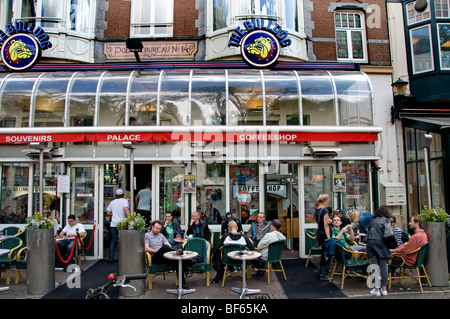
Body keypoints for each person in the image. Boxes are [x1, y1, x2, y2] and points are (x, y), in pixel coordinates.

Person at [145, 220, 188, 289]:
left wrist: (167, 251)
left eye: (159, 229)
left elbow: (168, 245)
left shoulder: (161, 235)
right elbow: (146, 249)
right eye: (156, 228)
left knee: (178, 261)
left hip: (163, 256)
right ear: (152, 227)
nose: (158, 230)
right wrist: (158, 251)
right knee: (164, 248)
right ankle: (179, 254)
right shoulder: (147, 235)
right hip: (154, 257)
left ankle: (183, 285)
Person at [365, 206, 392, 297]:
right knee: (383, 267)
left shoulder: (372, 220)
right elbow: (388, 234)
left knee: (374, 266)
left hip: (371, 242)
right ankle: (384, 289)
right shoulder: (386, 221)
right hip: (381, 243)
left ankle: (376, 289)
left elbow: (368, 232)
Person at [106, 188, 130, 263]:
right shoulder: (124, 201)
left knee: (113, 240)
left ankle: (111, 258)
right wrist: (130, 218)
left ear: (116, 195)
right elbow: (126, 209)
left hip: (113, 224)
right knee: (123, 240)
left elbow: (108, 213)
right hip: (122, 223)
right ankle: (124, 257)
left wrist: (114, 214)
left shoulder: (112, 202)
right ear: (122, 195)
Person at [314, 193, 332, 281]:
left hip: (320, 233)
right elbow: (326, 225)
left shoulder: (317, 210)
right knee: (327, 254)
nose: (328, 201)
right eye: (327, 200)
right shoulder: (325, 211)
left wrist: (328, 220)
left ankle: (323, 273)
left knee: (324, 253)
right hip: (325, 234)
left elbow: (321, 221)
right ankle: (323, 274)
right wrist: (329, 238)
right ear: (325, 200)